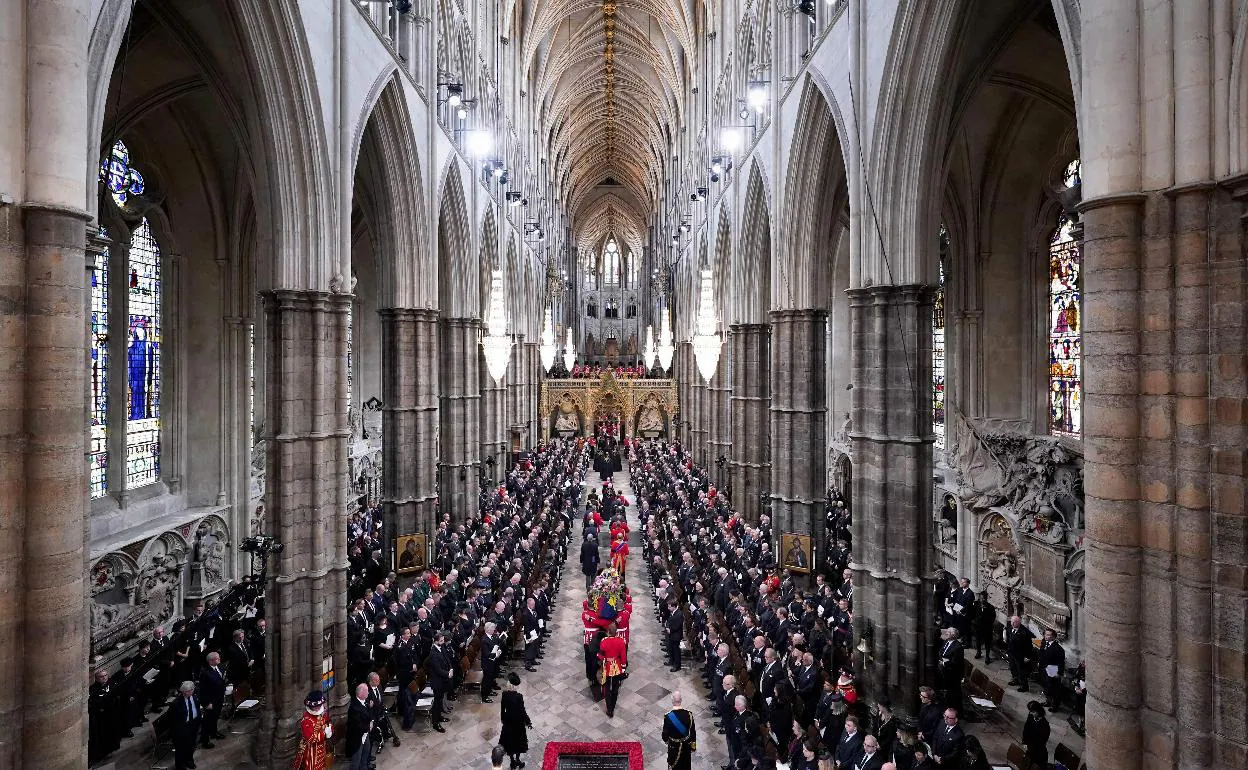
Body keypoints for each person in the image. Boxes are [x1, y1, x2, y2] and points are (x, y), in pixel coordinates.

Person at [499, 672, 533, 769]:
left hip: (508, 721)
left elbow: (502, 709)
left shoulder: (504, 694)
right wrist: (528, 721)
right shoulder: (519, 697)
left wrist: (503, 720)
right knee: (518, 742)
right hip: (518, 722)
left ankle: (512, 761)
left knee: (509, 742)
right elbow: (522, 711)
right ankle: (517, 760)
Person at [167, 681, 203, 770]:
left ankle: (189, 761)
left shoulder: (194, 697)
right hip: (182, 728)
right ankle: (180, 766)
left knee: (191, 745)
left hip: (193, 724)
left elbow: (197, 708)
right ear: (183, 691)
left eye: (192, 689)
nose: (191, 692)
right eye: (188, 691)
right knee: (180, 749)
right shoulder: (176, 703)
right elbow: (171, 719)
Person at [294, 689, 333, 770]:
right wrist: (325, 733)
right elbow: (311, 739)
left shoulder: (323, 713)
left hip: (322, 748)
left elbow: (329, 722)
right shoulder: (306, 720)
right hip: (311, 751)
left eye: (319, 706)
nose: (318, 708)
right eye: (315, 706)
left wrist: (330, 729)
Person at [197, 651, 228, 748]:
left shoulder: (220, 667)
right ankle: (205, 740)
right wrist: (207, 703)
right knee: (207, 720)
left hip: (219, 697)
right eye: (217, 659)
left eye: (219, 658)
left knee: (215, 717)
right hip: (210, 700)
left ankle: (214, 732)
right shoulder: (205, 673)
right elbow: (202, 690)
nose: (219, 659)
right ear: (210, 661)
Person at [597, 622, 627, 718]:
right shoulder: (621, 641)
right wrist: (623, 668)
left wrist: (599, 656)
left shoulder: (604, 641)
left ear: (608, 632)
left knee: (606, 688)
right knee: (615, 688)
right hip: (617, 666)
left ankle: (609, 709)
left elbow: (601, 656)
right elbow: (623, 656)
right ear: (616, 632)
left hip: (607, 667)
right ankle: (613, 706)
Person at [662, 691, 697, 770]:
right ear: (681, 700)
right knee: (685, 765)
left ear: (672, 700)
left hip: (673, 746)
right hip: (686, 746)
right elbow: (693, 732)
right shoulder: (689, 714)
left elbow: (664, 735)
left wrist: (668, 741)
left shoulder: (668, 716)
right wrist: (693, 747)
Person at [427, 632, 453, 732]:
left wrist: (450, 668)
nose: (442, 642)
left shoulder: (441, 647)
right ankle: (435, 723)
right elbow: (437, 669)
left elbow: (447, 659)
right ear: (436, 641)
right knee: (437, 702)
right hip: (437, 681)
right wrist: (448, 674)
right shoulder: (433, 653)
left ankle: (439, 717)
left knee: (440, 699)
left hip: (443, 679)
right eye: (441, 641)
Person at [936, 627, 964, 716]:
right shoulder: (946, 642)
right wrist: (942, 659)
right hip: (944, 671)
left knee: (953, 694)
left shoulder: (958, 647)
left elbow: (956, 662)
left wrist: (944, 662)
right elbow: (941, 652)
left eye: (948, 632)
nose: (946, 633)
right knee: (946, 692)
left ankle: (953, 711)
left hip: (952, 674)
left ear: (953, 635)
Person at [346, 683, 374, 770]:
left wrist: (370, 709)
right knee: (356, 759)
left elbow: (367, 715)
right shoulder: (354, 707)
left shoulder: (364, 701)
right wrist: (369, 727)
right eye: (367, 691)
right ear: (361, 693)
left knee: (366, 751)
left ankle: (364, 767)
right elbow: (358, 725)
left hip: (365, 735)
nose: (368, 693)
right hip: (357, 737)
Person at [1005, 615, 1035, 692]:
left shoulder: (1024, 633)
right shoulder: (1010, 628)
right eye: (1011, 622)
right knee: (1013, 667)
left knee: (1021, 671)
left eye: (1014, 622)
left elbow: (1029, 646)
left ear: (1018, 622)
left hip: (1020, 655)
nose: (1012, 624)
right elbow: (1008, 639)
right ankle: (1015, 679)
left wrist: (1027, 656)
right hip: (1012, 653)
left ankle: (1024, 686)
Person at [1038, 629, 1065, 710]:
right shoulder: (1043, 643)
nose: (1046, 636)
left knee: (1053, 688)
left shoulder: (1058, 648)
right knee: (1045, 685)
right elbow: (1042, 653)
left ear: (1054, 637)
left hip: (1052, 669)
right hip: (1044, 668)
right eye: (1046, 634)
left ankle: (1054, 705)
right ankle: (1048, 701)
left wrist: (1059, 673)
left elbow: (1061, 662)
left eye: (1049, 635)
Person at [1022, 700, 1050, 768]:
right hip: (1030, 747)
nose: (1031, 713)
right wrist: (1024, 742)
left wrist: (1030, 746)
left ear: (1039, 711)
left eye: (1033, 712)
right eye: (1030, 711)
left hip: (1038, 751)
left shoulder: (1045, 725)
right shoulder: (1031, 716)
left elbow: (1042, 741)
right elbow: (1026, 728)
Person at [665, 598, 684, 671]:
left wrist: (670, 630)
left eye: (669, 607)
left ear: (674, 606)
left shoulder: (679, 614)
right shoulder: (673, 612)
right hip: (672, 634)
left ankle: (677, 665)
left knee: (676, 651)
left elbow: (678, 625)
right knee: (671, 648)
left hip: (676, 635)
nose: (668, 608)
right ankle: (671, 660)